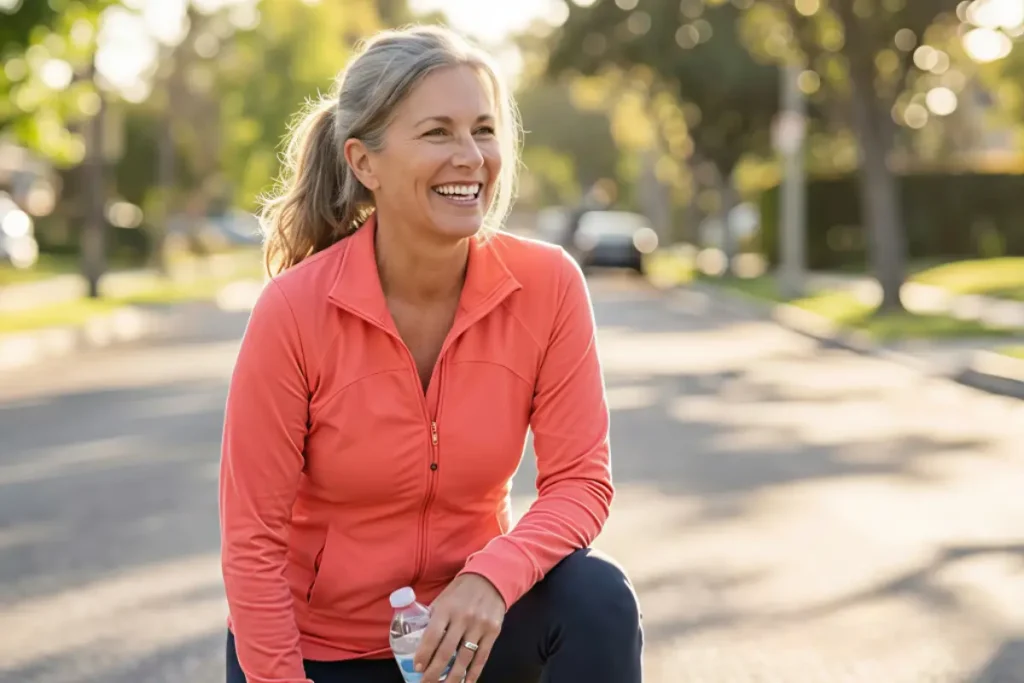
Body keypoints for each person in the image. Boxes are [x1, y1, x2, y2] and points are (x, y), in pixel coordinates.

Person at [219, 25, 643, 683]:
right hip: (322, 650)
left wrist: (492, 577)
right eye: (437, 132)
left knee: (597, 598)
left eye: (483, 129)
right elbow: (253, 546)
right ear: (365, 163)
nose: (471, 156)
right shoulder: (294, 312)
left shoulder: (548, 285)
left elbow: (581, 481)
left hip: (471, 632)